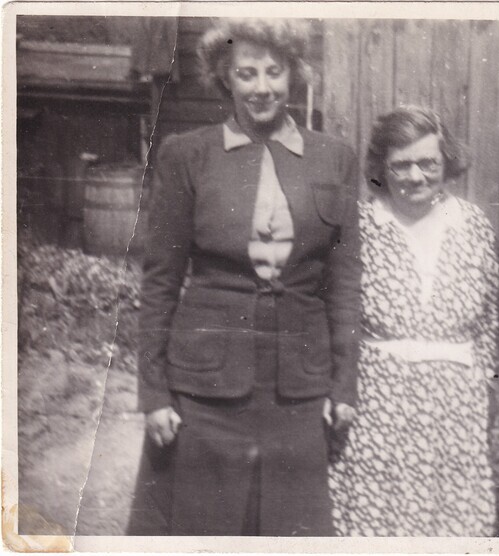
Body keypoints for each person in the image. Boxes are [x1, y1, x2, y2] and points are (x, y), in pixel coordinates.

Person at [127, 18, 360, 536]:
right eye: (246, 73)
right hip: (207, 384)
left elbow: (344, 283)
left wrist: (344, 385)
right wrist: (155, 394)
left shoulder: (334, 158)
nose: (261, 87)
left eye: (273, 72)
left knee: (288, 529)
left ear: (294, 75)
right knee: (203, 526)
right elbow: (160, 281)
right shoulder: (187, 155)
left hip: (299, 382)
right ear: (224, 77)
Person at [328, 106, 499, 536]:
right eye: (400, 165)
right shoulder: (360, 225)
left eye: (427, 162)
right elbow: (336, 312)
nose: (415, 176)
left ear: (446, 162)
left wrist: (481, 389)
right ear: (381, 168)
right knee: (375, 525)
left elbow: (491, 319)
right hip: (377, 409)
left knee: (452, 526)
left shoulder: (473, 225)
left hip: (455, 409)